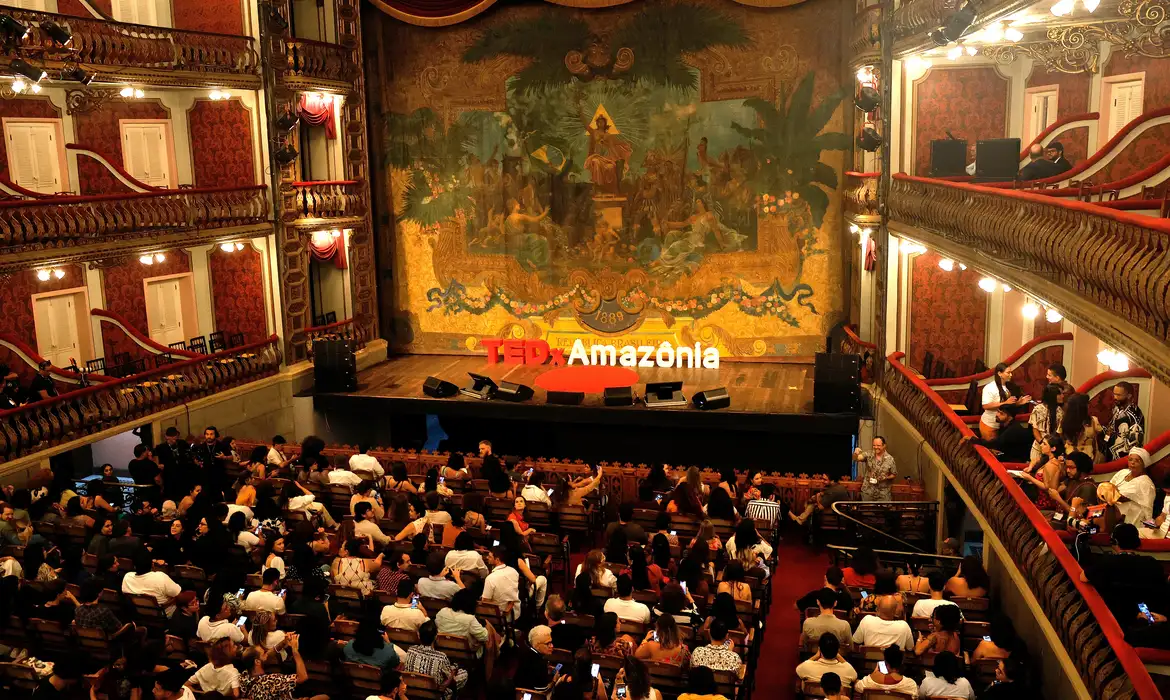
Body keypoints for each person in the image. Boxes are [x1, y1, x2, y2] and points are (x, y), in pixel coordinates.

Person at [1081, 522, 1169, 621]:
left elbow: (1083, 577)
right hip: (1152, 617)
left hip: (1117, 619)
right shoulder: (1152, 562)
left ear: (1114, 541)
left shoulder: (1108, 562)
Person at [237, 632, 325, 700]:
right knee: (324, 697)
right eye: (264, 653)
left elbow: (267, 655)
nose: (267, 654)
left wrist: (283, 643)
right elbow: (302, 677)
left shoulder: (243, 677)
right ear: (257, 662)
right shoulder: (271, 681)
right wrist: (295, 650)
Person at [402, 620, 467, 699]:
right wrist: (453, 671)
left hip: (412, 692)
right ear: (436, 637)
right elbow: (449, 678)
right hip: (435, 695)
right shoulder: (441, 657)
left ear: (418, 635)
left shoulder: (410, 650)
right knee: (464, 673)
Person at [966, 400, 1033, 463]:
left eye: (1001, 413)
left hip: (1019, 461)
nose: (997, 414)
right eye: (997, 411)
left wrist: (973, 439)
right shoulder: (1005, 425)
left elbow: (994, 443)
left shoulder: (1012, 430)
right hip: (1009, 455)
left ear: (1010, 417)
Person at [122, 549, 181, 616]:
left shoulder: (127, 577)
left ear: (134, 565)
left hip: (139, 615)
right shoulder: (161, 577)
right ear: (152, 564)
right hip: (164, 615)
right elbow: (179, 595)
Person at [436, 587, 492, 658]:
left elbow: (436, 625)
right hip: (465, 655)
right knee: (488, 629)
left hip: (442, 651)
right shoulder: (470, 619)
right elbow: (484, 637)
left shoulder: (442, 612)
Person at [1110, 447, 1156, 525]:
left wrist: (1110, 492)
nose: (1133, 463)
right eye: (1130, 460)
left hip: (1132, 518)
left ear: (1143, 464)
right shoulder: (1123, 472)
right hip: (1114, 512)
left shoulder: (1145, 482)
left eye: (1137, 461)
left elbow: (1119, 497)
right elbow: (1109, 486)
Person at [979, 365, 1026, 441]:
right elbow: (985, 406)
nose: (1011, 375)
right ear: (999, 373)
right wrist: (1005, 403)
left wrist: (1018, 403)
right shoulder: (990, 387)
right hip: (990, 425)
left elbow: (1006, 407)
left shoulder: (1008, 386)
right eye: (1008, 372)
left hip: (1002, 426)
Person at [853, 645, 917, 696]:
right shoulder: (910, 685)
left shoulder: (868, 682)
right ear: (901, 662)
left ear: (886, 663)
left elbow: (857, 687)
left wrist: (873, 674)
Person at [483, 546, 522, 621]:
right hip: (514, 613)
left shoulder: (490, 578)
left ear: (497, 560)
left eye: (490, 556)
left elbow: (485, 602)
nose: (487, 557)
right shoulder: (514, 571)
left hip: (497, 616)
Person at [853, 436, 896, 500]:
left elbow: (894, 474)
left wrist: (885, 477)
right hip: (868, 491)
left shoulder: (890, 459)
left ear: (884, 445)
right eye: (874, 445)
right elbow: (856, 459)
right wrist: (856, 453)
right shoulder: (868, 454)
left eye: (878, 445)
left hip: (883, 494)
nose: (876, 447)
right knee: (866, 506)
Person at [1063, 393, 1102, 462]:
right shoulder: (1093, 421)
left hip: (1079, 457)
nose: (1089, 405)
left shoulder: (1064, 421)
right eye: (1087, 403)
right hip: (1081, 457)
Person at [515, 625, 555, 693]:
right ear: (537, 645)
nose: (552, 646)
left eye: (551, 642)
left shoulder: (524, 652)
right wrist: (554, 681)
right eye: (548, 643)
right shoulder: (540, 663)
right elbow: (542, 691)